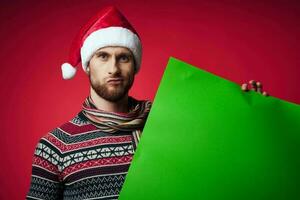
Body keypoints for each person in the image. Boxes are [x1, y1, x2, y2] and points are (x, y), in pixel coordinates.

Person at [26, 5, 268, 200]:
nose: (114, 68)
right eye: (103, 56)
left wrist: (250, 112)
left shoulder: (168, 124)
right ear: (88, 65)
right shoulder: (55, 146)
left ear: (135, 67)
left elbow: (221, 162)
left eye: (123, 58)